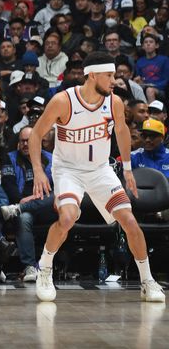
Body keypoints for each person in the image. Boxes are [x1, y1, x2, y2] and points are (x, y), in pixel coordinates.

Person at [28, 52, 165, 303]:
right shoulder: (63, 101)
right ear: (92, 75)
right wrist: (38, 170)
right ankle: (45, 268)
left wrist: (126, 169)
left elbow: (122, 131)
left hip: (101, 169)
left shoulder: (113, 102)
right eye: (109, 75)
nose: (114, 80)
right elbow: (36, 135)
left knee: (130, 221)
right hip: (68, 169)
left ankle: (147, 281)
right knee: (67, 218)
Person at [0, 127, 56, 282]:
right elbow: (8, 185)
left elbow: (51, 186)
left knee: (58, 195)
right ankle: (30, 267)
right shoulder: (10, 158)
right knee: (23, 218)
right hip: (22, 206)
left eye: (29, 141)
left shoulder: (51, 159)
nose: (25, 144)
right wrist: (21, 201)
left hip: (46, 207)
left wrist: (30, 200)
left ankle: (17, 209)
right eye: (22, 141)